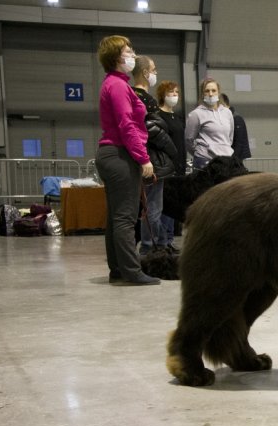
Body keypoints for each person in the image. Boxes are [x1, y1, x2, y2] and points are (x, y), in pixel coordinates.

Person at [94, 35, 159, 285]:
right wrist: (143, 159)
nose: (132, 53)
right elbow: (127, 125)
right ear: (115, 57)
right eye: (127, 50)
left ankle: (118, 269)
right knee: (125, 218)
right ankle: (132, 270)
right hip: (119, 154)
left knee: (115, 217)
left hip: (112, 154)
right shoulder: (119, 86)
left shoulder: (113, 83)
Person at [131, 56, 178, 255]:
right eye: (153, 69)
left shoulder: (130, 95)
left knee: (150, 208)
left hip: (143, 159)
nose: (155, 73)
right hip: (152, 161)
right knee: (153, 209)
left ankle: (157, 243)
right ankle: (151, 246)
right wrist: (173, 152)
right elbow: (154, 131)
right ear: (145, 73)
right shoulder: (145, 99)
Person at [157, 80, 187, 249]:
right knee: (164, 208)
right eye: (171, 92)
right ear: (163, 95)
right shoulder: (158, 116)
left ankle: (169, 239)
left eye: (176, 92)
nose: (174, 95)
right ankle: (163, 241)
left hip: (179, 166)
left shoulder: (177, 117)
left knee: (173, 207)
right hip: (166, 166)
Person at [185, 78, 234, 170]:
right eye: (207, 91)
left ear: (218, 92)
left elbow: (230, 138)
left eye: (213, 90)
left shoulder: (227, 112)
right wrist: (200, 152)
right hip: (204, 160)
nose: (210, 94)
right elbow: (188, 140)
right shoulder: (196, 114)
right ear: (202, 93)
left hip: (226, 160)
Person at [220, 93, 252, 171]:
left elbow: (239, 142)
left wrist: (232, 160)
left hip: (235, 156)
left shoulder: (236, 118)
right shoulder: (228, 117)